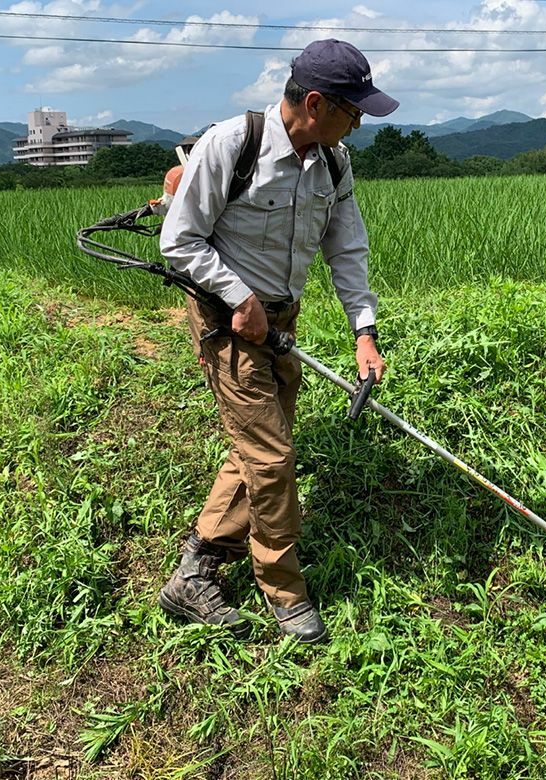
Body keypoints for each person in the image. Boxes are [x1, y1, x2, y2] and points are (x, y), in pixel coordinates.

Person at [156, 39, 398, 644]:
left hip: (282, 320)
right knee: (272, 459)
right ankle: (284, 591)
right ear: (314, 103)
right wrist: (239, 297)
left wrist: (363, 332)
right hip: (227, 321)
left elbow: (347, 249)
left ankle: (195, 567)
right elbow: (179, 241)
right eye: (352, 111)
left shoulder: (333, 163)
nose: (358, 124)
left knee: (259, 449)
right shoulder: (231, 145)